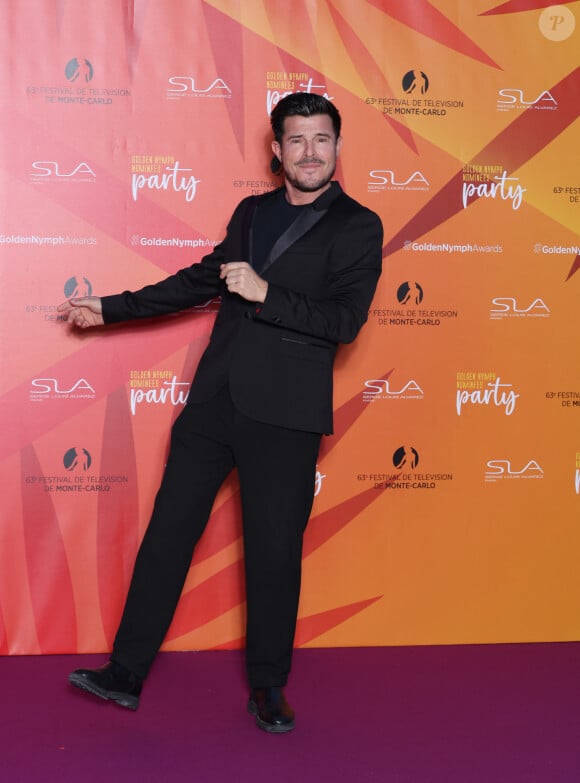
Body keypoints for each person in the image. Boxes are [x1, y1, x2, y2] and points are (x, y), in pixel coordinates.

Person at [58, 92, 383, 733]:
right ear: (277, 150)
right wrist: (113, 307)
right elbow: (205, 278)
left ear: (337, 148)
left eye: (321, 139)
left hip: (285, 415)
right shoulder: (252, 211)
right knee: (167, 534)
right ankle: (125, 670)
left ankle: (268, 687)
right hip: (214, 402)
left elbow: (344, 322)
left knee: (272, 552)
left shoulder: (358, 225)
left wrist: (269, 294)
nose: (309, 151)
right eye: (296, 140)